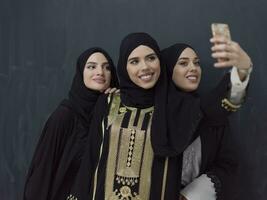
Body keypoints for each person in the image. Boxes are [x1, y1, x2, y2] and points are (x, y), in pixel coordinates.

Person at [23, 47, 119, 200]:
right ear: (81, 72)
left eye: (107, 67)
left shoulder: (113, 113)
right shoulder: (65, 116)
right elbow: (42, 173)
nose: (100, 72)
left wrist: (117, 104)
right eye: (91, 66)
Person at [161, 41, 252, 200]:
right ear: (168, 70)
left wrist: (191, 195)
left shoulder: (211, 115)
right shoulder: (151, 112)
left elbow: (227, 166)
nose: (193, 68)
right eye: (183, 63)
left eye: (197, 63)